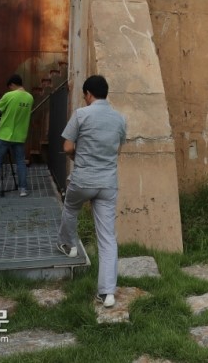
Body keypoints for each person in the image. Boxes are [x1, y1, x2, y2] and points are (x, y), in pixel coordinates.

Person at [56, 74, 127, 308]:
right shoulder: (119, 119)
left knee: (71, 207)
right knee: (107, 238)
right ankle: (107, 293)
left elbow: (67, 146)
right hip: (107, 184)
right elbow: (117, 149)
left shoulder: (81, 114)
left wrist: (77, 155)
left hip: (83, 180)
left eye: (84, 95)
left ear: (88, 94)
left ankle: (68, 244)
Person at [0, 73, 34, 198]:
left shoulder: (9, 95)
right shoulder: (30, 98)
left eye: (10, 87)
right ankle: (23, 189)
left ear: (12, 85)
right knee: (20, 162)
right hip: (20, 136)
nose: (9, 89)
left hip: (5, 135)